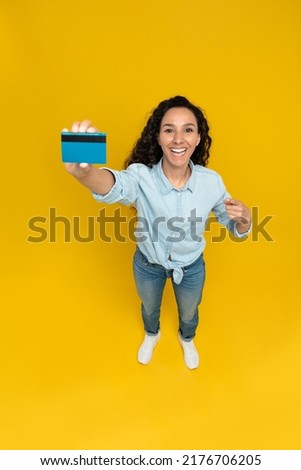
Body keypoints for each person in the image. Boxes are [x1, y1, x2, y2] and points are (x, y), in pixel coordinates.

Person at [64, 95, 252, 370]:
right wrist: (85, 175)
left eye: (187, 129)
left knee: (189, 312)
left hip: (191, 268)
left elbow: (235, 228)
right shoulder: (141, 176)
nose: (178, 138)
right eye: (169, 130)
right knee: (149, 308)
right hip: (147, 265)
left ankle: (186, 338)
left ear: (198, 139)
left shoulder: (212, 183)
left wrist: (245, 219)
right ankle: (152, 334)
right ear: (159, 138)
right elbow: (116, 186)